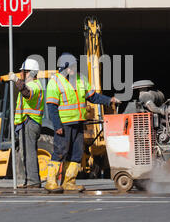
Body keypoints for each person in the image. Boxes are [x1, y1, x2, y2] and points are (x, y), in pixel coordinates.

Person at [45, 53, 121, 193]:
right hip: (64, 124)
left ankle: (69, 182)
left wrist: (109, 100)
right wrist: (57, 126)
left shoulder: (81, 79)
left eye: (75, 65)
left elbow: (93, 97)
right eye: (71, 66)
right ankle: (51, 182)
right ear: (64, 67)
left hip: (78, 122)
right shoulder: (55, 82)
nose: (74, 68)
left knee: (76, 153)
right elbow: (52, 107)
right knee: (60, 152)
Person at [8, 58, 44, 189]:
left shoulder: (34, 85)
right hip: (26, 123)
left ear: (30, 72)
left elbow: (26, 93)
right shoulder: (33, 84)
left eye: (22, 72)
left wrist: (15, 80)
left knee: (29, 154)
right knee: (25, 153)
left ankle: (33, 181)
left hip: (30, 122)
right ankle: (29, 180)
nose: (21, 75)